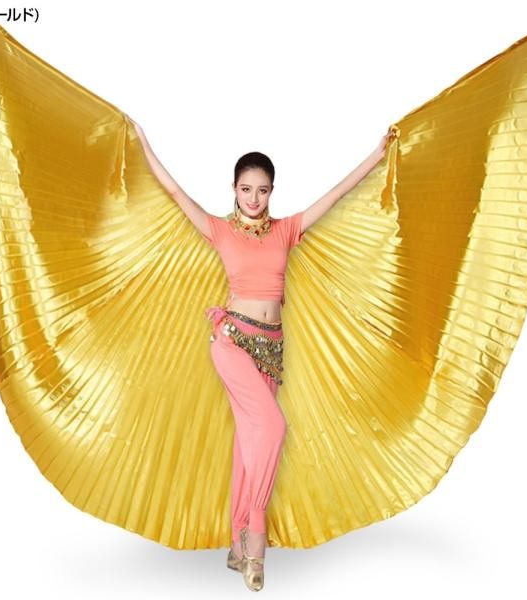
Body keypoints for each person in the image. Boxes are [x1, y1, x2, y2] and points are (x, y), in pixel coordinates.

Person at [127, 115, 395, 590]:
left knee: (249, 444)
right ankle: (255, 539)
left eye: (263, 190)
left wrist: (376, 156)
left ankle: (236, 544)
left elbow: (336, 194)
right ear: (234, 189)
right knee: (273, 426)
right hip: (232, 343)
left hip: (270, 351)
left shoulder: (286, 230)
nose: (254, 198)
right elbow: (173, 191)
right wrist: (143, 141)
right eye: (246, 189)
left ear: (272, 192)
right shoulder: (219, 230)